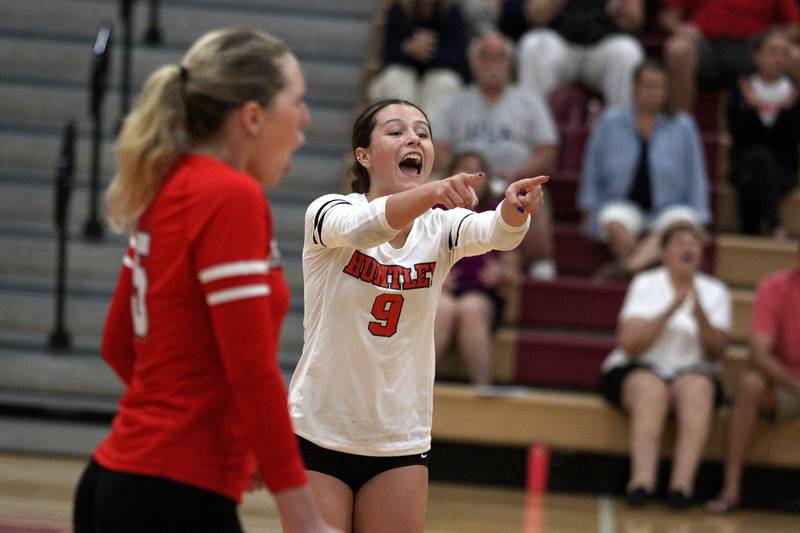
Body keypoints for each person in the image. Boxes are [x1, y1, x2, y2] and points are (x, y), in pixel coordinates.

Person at [72, 28, 336, 533]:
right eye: (298, 102)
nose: (306, 119)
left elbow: (118, 344)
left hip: (117, 481)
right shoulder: (231, 196)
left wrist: (210, 430)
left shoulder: (169, 185)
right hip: (171, 499)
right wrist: (302, 516)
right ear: (253, 117)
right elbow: (252, 370)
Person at [288, 98, 547, 532]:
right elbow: (368, 227)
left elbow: (493, 233)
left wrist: (513, 209)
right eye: (395, 131)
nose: (413, 137)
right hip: (318, 431)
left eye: (422, 132)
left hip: (398, 440)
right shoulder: (329, 211)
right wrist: (432, 193)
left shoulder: (439, 229)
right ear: (363, 156)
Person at [599, 220, 731, 509]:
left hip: (692, 371)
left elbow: (717, 353)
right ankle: (641, 483)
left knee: (698, 388)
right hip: (639, 367)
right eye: (680, 241)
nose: (688, 247)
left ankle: (681, 487)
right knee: (651, 388)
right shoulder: (646, 284)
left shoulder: (715, 291)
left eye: (693, 242)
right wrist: (670, 309)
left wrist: (700, 316)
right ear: (665, 252)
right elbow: (630, 344)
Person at [431, 31, 559, 278]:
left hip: (512, 180)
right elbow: (440, 147)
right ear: (474, 62)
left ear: (509, 63)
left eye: (500, 57)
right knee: (431, 185)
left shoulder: (529, 102)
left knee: (535, 193)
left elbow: (547, 151)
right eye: (485, 56)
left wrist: (519, 175)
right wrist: (459, 174)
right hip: (467, 183)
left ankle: (538, 264)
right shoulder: (455, 102)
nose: (493, 63)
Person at [578, 61, 710, 278]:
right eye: (647, 86)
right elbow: (592, 165)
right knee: (613, 223)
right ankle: (641, 270)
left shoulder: (683, 126)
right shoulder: (611, 121)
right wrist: (588, 207)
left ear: (666, 91)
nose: (652, 92)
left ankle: (628, 269)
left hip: (670, 206)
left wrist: (700, 215)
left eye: (658, 87)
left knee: (678, 225)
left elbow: (696, 173)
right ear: (635, 88)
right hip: (621, 202)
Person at [705, 245, 800, 514]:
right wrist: (795, 386)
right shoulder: (775, 287)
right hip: (786, 386)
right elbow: (759, 354)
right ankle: (730, 490)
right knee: (749, 385)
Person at [434, 151, 523, 386]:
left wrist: (499, 272)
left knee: (470, 308)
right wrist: (435, 275)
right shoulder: (434, 210)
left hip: (481, 293)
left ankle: (483, 387)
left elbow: (513, 273)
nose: (472, 179)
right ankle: (414, 390)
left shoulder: (497, 212)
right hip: (437, 290)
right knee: (443, 308)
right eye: (465, 171)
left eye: (478, 173)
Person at [659, 0, 800, 113]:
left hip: (753, 48)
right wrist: (680, 28)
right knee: (678, 50)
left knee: (796, 58)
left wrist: (774, 37)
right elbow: (668, 16)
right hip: (706, 45)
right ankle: (678, 127)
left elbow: (794, 27)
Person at [727, 29, 800, 238]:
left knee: (761, 165)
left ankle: (750, 231)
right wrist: (752, 111)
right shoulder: (741, 88)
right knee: (755, 162)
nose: (778, 58)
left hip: (782, 169)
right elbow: (739, 136)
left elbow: (791, 140)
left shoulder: (795, 92)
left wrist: (785, 114)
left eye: (784, 53)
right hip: (746, 165)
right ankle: (774, 224)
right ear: (756, 56)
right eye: (772, 51)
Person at [514, 0, 646, 107]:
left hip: (602, 49)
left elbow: (635, 21)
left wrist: (621, 8)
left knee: (628, 52)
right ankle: (532, 130)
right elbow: (533, 16)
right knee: (533, 45)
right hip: (561, 47)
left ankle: (620, 132)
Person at [368, 0, 470, 113]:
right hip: (405, 73)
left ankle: (428, 129)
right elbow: (388, 54)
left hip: (437, 75)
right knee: (395, 79)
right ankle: (400, 126)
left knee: (444, 82)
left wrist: (427, 51)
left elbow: (456, 57)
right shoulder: (398, 10)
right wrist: (408, 49)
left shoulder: (452, 12)